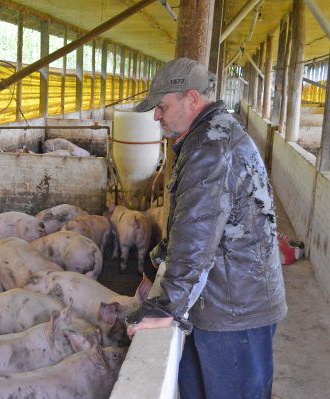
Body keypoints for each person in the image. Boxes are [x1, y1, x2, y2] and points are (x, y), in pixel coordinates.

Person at [125, 58, 287, 399]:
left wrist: (166, 306)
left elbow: (197, 237)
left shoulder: (210, 148)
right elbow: (191, 222)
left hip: (236, 311)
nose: (156, 116)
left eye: (163, 107)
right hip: (227, 298)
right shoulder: (213, 135)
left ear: (192, 99)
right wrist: (152, 266)